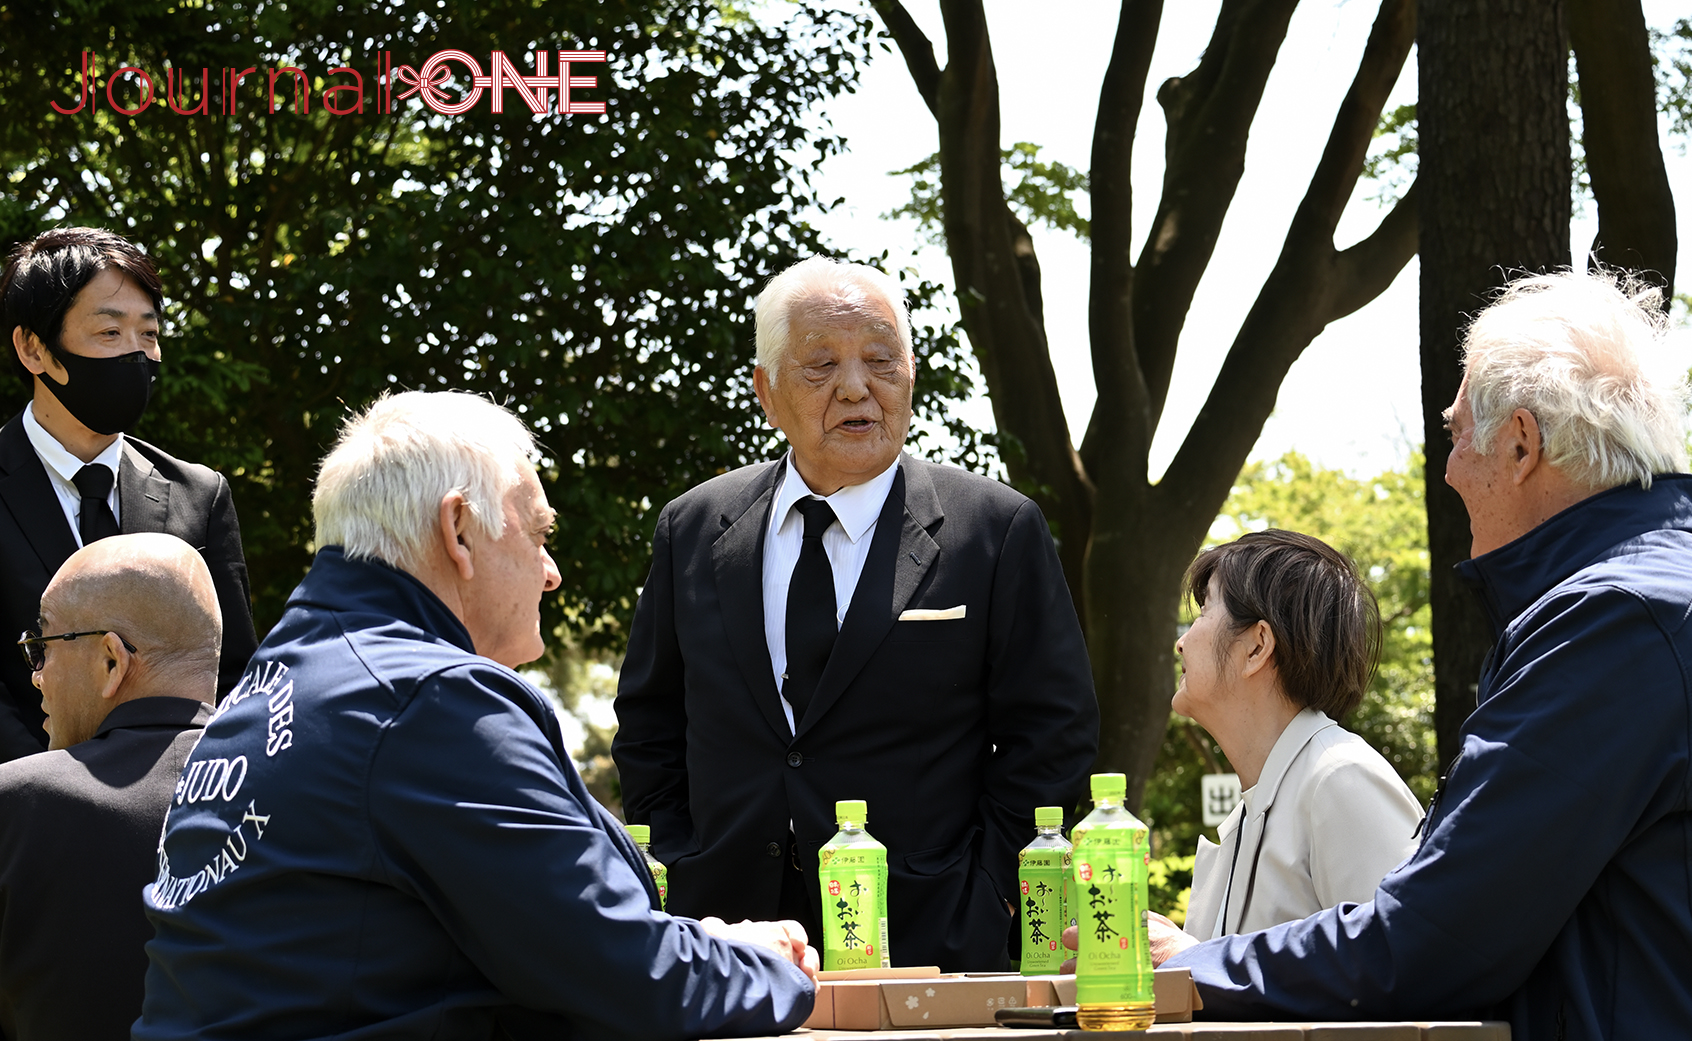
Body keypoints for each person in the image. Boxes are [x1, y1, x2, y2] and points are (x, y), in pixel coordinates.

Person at [137, 391, 817, 1041]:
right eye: (540, 533)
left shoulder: (280, 680)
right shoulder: (430, 700)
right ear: (457, 528)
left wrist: (698, 941)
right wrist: (772, 966)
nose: (550, 571)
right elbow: (621, 974)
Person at [1152, 270, 1692, 1040]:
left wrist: (1195, 965)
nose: (1447, 469)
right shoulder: (1652, 598)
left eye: (1456, 432)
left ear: (1520, 444)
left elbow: (1438, 939)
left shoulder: (1609, 624)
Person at [612, 256, 1100, 971]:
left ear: (910, 375)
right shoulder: (694, 526)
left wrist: (991, 888)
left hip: (930, 936)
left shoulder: (993, 530)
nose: (855, 387)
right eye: (820, 365)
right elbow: (651, 726)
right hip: (727, 932)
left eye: (880, 360)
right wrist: (682, 857)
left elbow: (1053, 735)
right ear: (766, 393)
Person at [0, 227, 257, 762]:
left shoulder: (198, 496)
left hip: (171, 814)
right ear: (33, 348)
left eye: (149, 334)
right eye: (110, 333)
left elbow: (232, 675)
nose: (137, 355)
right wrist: (43, 794)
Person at [0, 533, 220, 1041]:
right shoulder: (304, 793)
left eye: (42, 646)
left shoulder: (20, 804)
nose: (36, 676)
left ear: (111, 661)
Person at [1174, 530, 1422, 939]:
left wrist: (1185, 957)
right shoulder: (1255, 806)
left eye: (1204, 610)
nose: (1181, 642)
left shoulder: (1340, 778)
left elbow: (1407, 968)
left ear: (1256, 647)